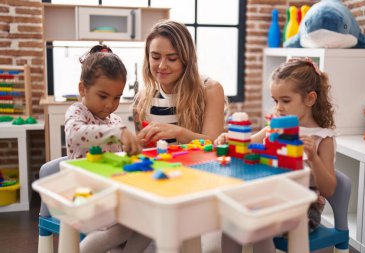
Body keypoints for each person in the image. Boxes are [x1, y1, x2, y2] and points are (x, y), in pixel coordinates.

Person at [215, 57, 337, 253]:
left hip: (304, 206)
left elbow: (329, 189)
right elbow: (247, 143)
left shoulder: (322, 138)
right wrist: (228, 138)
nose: (278, 107)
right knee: (231, 225)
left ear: (310, 99)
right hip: (270, 195)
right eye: (275, 100)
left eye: (285, 101)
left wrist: (313, 158)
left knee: (261, 227)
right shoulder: (274, 128)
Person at [64, 44, 150, 253]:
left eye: (117, 97)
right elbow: (76, 133)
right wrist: (117, 132)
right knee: (122, 230)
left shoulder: (114, 119)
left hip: (111, 193)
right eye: (103, 96)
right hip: (86, 195)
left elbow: (116, 153)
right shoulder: (77, 112)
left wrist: (134, 146)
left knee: (148, 223)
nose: (110, 105)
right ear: (82, 89)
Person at [133, 19, 226, 145]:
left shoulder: (210, 90)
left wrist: (179, 133)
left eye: (172, 58)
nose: (161, 66)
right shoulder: (142, 99)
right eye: (155, 57)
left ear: (186, 60)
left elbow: (215, 143)